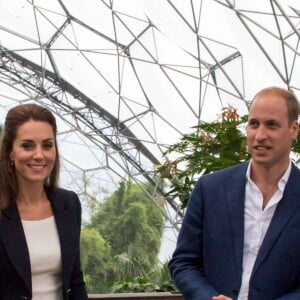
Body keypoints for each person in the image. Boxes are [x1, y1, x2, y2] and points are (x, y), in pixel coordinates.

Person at [169, 86, 300, 300]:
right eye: (254, 124)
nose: (260, 136)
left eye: (272, 125)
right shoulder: (210, 189)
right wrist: (207, 297)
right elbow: (184, 262)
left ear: (294, 129)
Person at [0, 103, 88, 299]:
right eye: (27, 145)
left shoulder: (69, 204)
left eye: (47, 145)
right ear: (10, 153)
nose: (39, 155)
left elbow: (75, 280)